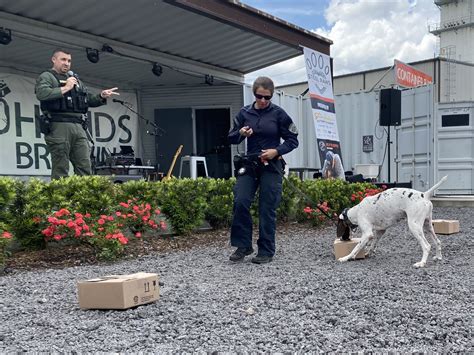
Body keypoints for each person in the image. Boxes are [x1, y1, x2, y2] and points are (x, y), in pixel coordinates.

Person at [227, 76, 299, 264]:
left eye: (267, 97)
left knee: (267, 207)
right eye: (260, 96)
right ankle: (243, 245)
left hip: (271, 165)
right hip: (250, 164)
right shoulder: (244, 113)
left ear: (271, 96)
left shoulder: (279, 114)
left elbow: (293, 140)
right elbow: (231, 137)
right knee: (240, 201)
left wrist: (276, 151)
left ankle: (266, 250)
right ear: (254, 94)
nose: (263, 101)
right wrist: (241, 133)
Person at [35, 48, 119, 179]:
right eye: (63, 59)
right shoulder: (47, 76)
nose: (66, 63)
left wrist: (101, 96)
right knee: (61, 167)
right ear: (54, 60)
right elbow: (42, 93)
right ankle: (60, 198)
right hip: (59, 125)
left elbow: (85, 99)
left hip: (79, 126)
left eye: (69, 60)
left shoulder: (75, 79)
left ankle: (84, 197)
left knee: (85, 165)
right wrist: (66, 88)